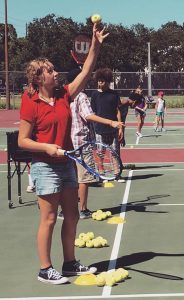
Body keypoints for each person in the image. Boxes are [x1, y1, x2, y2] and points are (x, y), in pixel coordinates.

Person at [18, 24, 109, 285]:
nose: (55, 72)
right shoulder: (30, 101)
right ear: (38, 78)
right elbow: (23, 140)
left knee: (72, 215)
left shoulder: (63, 95)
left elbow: (87, 70)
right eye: (49, 71)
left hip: (66, 163)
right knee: (48, 218)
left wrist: (96, 44)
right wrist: (46, 147)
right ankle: (45, 269)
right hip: (45, 166)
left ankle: (69, 264)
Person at [60, 68, 124, 220]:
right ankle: (82, 210)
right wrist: (111, 122)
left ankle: (65, 210)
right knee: (84, 179)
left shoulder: (62, 95)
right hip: (81, 143)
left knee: (70, 179)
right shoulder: (80, 96)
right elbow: (89, 115)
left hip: (66, 143)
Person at [90, 68, 125, 182]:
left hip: (113, 128)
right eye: (99, 80)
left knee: (115, 152)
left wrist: (120, 128)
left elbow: (117, 111)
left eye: (103, 81)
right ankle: (102, 174)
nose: (100, 83)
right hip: (99, 129)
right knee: (100, 153)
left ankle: (117, 174)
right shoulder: (94, 95)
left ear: (108, 81)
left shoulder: (114, 94)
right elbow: (93, 113)